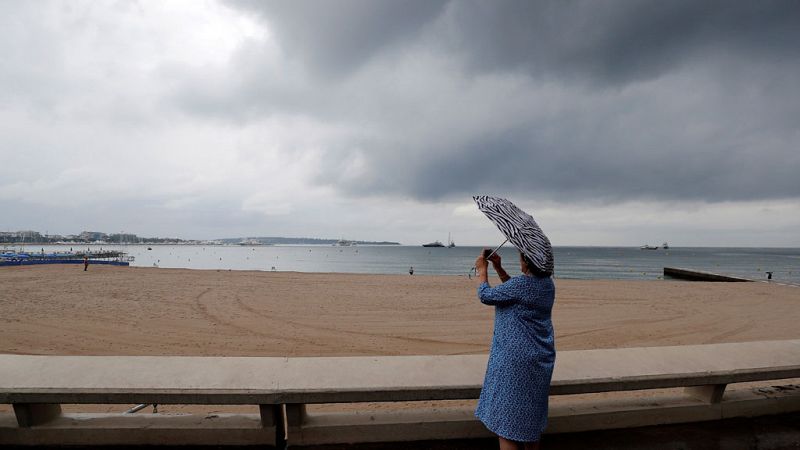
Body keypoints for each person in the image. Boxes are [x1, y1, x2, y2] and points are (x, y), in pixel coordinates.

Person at [473, 249, 555, 450]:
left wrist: (481, 270)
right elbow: (515, 292)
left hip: (515, 362)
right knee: (530, 422)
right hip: (540, 358)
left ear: (527, 262)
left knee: (507, 425)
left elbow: (486, 295)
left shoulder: (522, 285)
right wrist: (499, 268)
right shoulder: (547, 285)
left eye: (520, 257)